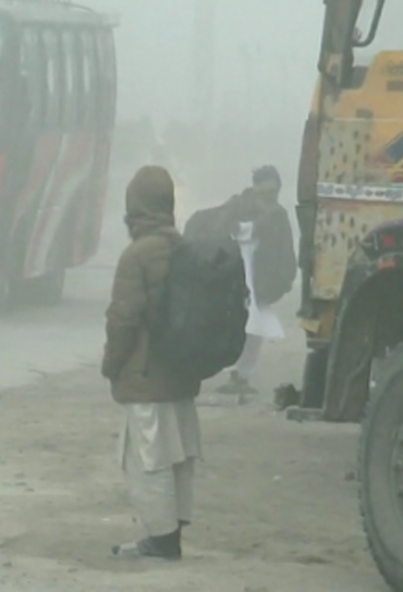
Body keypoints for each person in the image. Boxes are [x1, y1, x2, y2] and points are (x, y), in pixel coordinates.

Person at [102, 165, 201, 561]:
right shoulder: (186, 249)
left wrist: (111, 365)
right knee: (178, 457)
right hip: (181, 374)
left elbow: (122, 320)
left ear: (134, 208)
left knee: (149, 460)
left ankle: (160, 543)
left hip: (145, 377)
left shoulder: (136, 255)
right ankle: (172, 534)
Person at [208, 165, 297, 395]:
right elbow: (217, 228)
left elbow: (286, 251)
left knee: (255, 330)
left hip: (261, 281)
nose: (271, 197)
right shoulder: (237, 206)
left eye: (274, 193)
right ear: (256, 188)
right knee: (233, 325)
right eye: (266, 192)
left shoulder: (278, 215)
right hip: (233, 276)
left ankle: (243, 376)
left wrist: (284, 279)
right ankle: (232, 373)